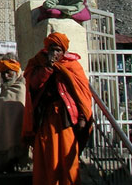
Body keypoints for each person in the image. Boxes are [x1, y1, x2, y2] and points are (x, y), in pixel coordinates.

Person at [22, 32, 93, 185]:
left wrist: (82, 117)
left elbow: (82, 94)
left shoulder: (72, 65)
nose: (54, 53)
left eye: (58, 50)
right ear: (46, 50)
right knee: (46, 158)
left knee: (67, 159)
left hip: (66, 120)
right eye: (52, 49)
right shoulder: (37, 62)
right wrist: (47, 67)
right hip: (45, 119)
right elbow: (34, 85)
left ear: (63, 51)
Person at [0, 53, 28, 172]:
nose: (6, 76)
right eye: (3, 73)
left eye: (9, 72)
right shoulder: (5, 89)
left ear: (16, 71)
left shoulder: (22, 88)